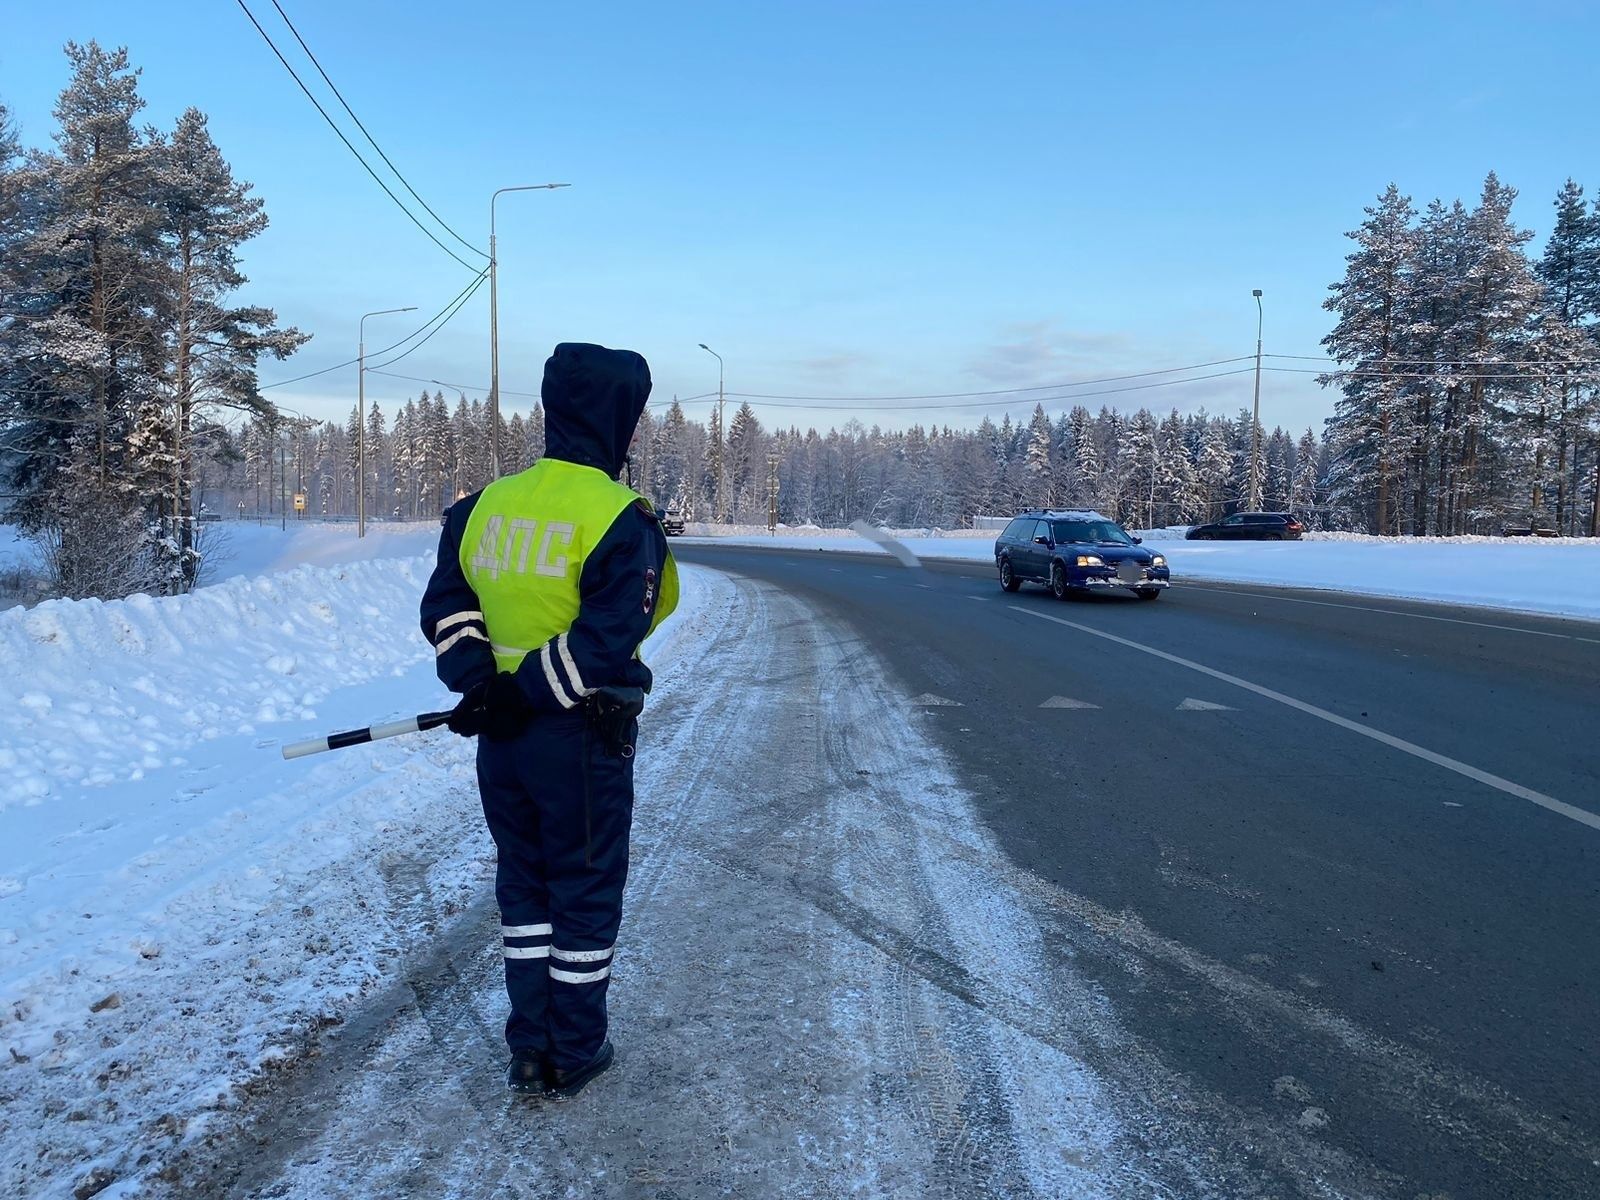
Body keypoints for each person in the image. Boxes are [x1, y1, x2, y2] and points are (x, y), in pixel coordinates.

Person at [419, 342, 677, 1098]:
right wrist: (522, 692)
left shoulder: (483, 506)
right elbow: (608, 636)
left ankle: (528, 1048)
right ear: (619, 421)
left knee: (525, 888)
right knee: (584, 890)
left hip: (500, 738)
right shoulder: (619, 517)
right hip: (580, 737)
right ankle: (576, 1048)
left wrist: (482, 685)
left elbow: (449, 609)